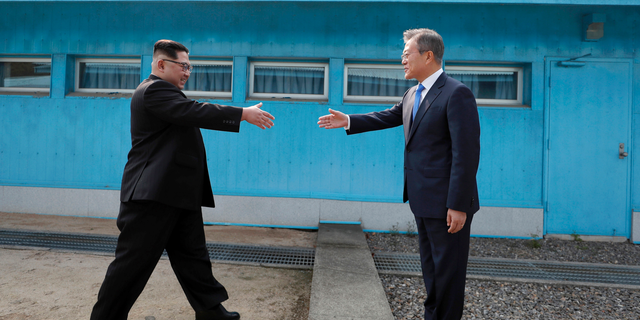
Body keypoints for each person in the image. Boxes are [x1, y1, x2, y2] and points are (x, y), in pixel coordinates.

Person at [90, 39, 275, 320]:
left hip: (175, 193)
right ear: (162, 64)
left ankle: (212, 313)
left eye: (190, 66)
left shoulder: (166, 92)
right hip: (152, 196)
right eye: (183, 66)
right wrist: (242, 114)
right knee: (132, 264)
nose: (187, 72)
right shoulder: (154, 90)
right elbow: (195, 112)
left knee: (193, 259)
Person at [318, 28, 480, 320]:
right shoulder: (412, 94)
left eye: (407, 54)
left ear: (428, 56)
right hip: (423, 201)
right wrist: (349, 120)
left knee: (449, 276)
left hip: (447, 204)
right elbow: (388, 116)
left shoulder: (457, 93)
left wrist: (458, 204)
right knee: (432, 272)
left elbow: (466, 154)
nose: (402, 61)